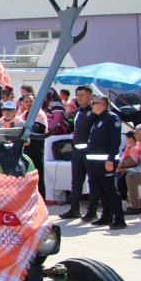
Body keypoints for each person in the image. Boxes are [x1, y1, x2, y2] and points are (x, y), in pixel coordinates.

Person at [85, 96, 125, 229]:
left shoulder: (111, 117)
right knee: (101, 190)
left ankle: (119, 219)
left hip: (105, 162)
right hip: (94, 161)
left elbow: (116, 140)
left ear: (102, 105)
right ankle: (106, 216)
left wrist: (110, 159)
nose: (91, 105)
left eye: (94, 103)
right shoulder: (98, 118)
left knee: (110, 190)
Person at [60, 86, 100, 220]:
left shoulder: (94, 111)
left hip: (90, 150)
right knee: (76, 181)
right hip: (77, 150)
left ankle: (92, 211)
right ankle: (74, 209)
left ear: (90, 96)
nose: (79, 98)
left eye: (82, 95)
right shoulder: (78, 111)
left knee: (92, 181)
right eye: (78, 95)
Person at [21, 93, 48, 199]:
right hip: (26, 150)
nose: (28, 103)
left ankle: (42, 201)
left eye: (31, 101)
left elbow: (36, 129)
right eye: (26, 101)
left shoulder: (40, 114)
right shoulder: (24, 114)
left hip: (36, 150)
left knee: (38, 177)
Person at [117, 127, 141, 214]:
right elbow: (122, 158)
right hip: (134, 168)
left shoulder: (140, 146)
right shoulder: (129, 147)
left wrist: (125, 167)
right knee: (121, 178)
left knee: (128, 177)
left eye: (130, 138)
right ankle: (124, 201)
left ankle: (134, 206)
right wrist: (121, 165)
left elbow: (136, 161)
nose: (127, 140)